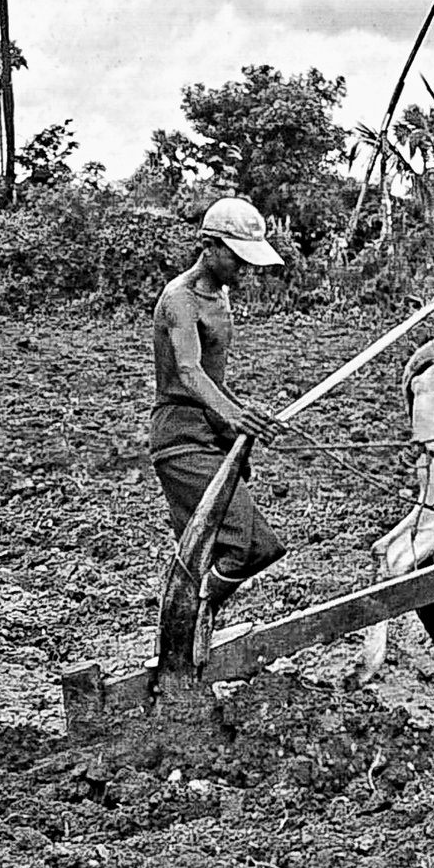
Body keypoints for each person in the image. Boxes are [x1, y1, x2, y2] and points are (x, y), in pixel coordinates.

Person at [149, 196, 289, 618]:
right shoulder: (180, 299)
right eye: (236, 257)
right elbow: (189, 371)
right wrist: (232, 414)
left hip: (212, 431)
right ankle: (188, 615)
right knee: (241, 547)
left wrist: (240, 419)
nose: (243, 269)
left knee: (254, 547)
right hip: (180, 438)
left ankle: (192, 618)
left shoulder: (221, 298)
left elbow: (214, 378)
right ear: (208, 245)